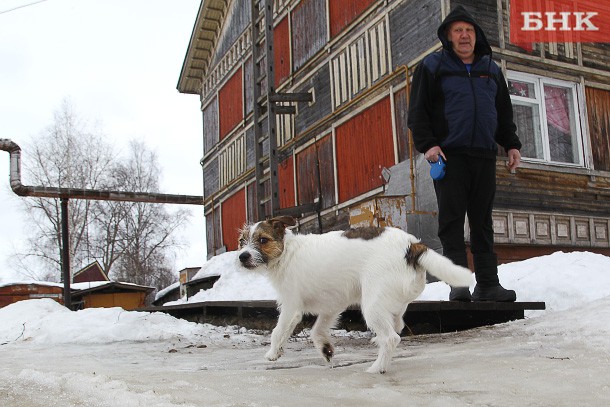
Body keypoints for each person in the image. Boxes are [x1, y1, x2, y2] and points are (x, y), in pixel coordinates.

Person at [407, 5, 522, 302]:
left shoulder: (490, 70)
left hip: (484, 155)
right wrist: (428, 144)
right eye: (458, 30)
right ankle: (458, 284)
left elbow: (502, 113)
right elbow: (418, 113)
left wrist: (511, 144)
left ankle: (488, 284)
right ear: (448, 36)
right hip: (449, 156)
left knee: (482, 221)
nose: (464, 35)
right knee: (452, 220)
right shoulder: (432, 67)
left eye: (469, 30)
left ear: (476, 35)